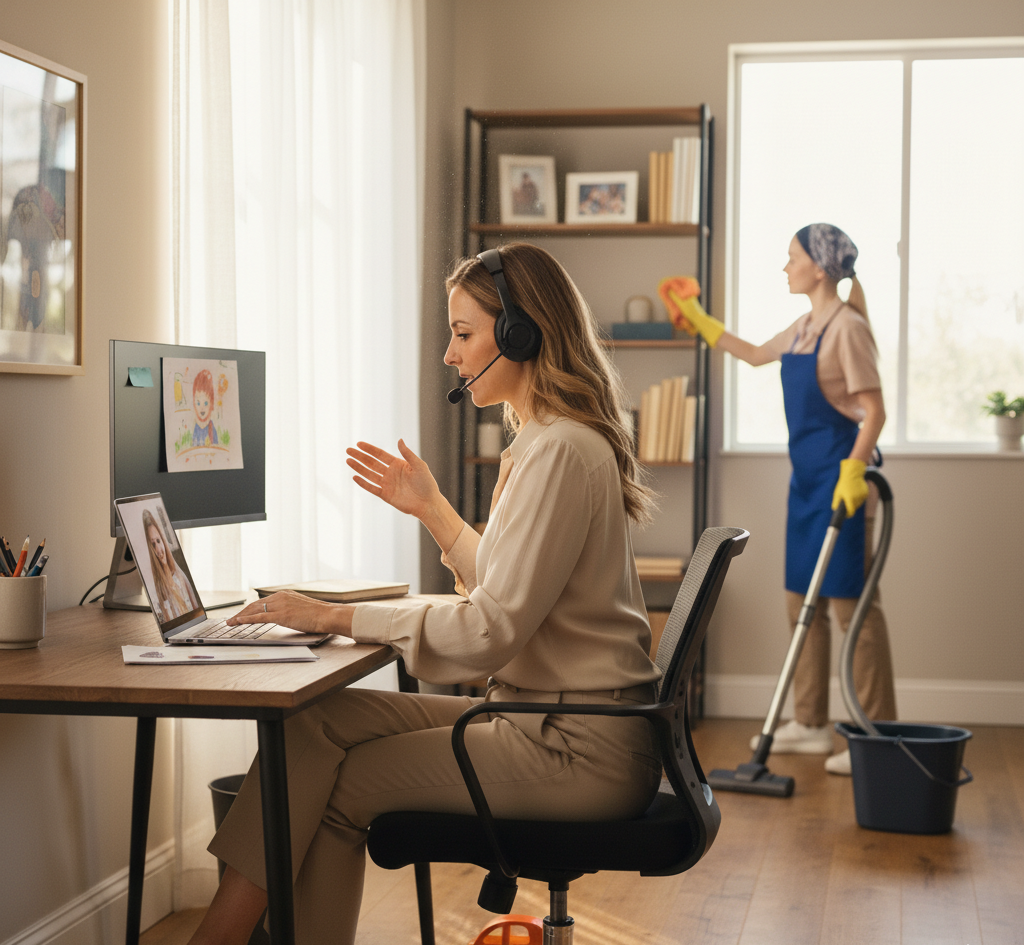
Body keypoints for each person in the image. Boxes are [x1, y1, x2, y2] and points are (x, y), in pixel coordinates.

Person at [187, 242, 664, 945]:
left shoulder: (561, 449)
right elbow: (507, 590)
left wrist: (334, 615)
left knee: (335, 793)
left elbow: (490, 631)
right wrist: (433, 508)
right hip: (549, 722)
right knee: (311, 724)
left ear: (519, 334)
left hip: (574, 750)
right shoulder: (548, 440)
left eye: (464, 334)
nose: (449, 353)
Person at [662, 223, 897, 776]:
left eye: (792, 258)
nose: (784, 267)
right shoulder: (806, 326)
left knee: (851, 609)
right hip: (807, 483)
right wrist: (697, 319)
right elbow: (751, 354)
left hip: (844, 480)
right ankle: (812, 725)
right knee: (801, 603)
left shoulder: (846, 329)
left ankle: (876, 735)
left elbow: (875, 410)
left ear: (819, 266)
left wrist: (856, 472)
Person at [142, 508, 198, 621]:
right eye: (153, 545)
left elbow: (196, 610)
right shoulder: (158, 588)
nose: (158, 549)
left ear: (163, 540)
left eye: (158, 541)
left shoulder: (179, 575)